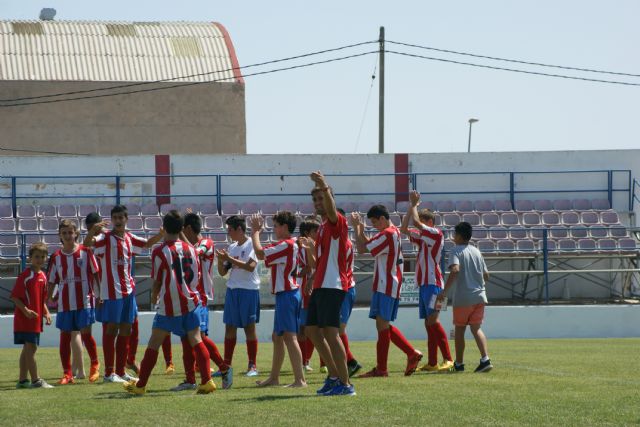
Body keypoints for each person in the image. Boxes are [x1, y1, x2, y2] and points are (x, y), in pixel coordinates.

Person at [123, 210, 215, 395]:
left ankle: (141, 385)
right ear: (181, 228)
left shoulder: (159, 251)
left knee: (154, 342)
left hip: (169, 304)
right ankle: (206, 381)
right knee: (196, 339)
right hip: (190, 301)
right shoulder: (191, 248)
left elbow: (157, 280)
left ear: (163, 228)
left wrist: (154, 296)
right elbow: (196, 275)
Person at [84, 205, 163, 383]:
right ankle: (109, 373)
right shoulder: (105, 238)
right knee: (112, 329)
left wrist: (161, 235)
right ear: (111, 220)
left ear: (126, 219)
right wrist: (92, 232)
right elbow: (87, 244)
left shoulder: (129, 238)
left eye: (121, 217)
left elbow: (147, 244)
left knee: (126, 329)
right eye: (115, 218)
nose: (118, 221)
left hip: (128, 291)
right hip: (111, 292)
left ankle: (120, 371)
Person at [351, 205, 423, 378]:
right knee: (383, 326)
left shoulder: (388, 234)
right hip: (387, 283)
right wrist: (359, 229)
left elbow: (362, 249)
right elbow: (366, 245)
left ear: (382, 219)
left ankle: (383, 368)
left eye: (375, 222)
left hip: (386, 284)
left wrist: (357, 228)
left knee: (382, 327)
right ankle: (409, 354)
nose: (374, 225)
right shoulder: (392, 232)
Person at [170, 212, 233, 391]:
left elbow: (195, 253)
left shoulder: (207, 243)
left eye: (183, 230)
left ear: (188, 229)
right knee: (185, 338)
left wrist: (180, 234)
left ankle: (224, 367)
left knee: (200, 338)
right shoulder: (187, 245)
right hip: (188, 297)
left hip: (201, 297)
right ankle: (190, 380)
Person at [305, 171, 355, 397]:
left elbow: (333, 210)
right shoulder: (323, 226)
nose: (318, 203)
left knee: (332, 334)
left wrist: (324, 185)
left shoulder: (337, 221)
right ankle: (334, 376)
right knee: (312, 331)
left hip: (333, 285)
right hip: (321, 285)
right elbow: (322, 260)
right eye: (315, 200)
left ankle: (345, 384)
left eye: (322, 198)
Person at [250, 212, 306, 388]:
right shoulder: (289, 245)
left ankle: (300, 380)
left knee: (289, 337)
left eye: (275, 226)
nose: (273, 229)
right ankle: (274, 378)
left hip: (287, 295)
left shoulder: (286, 245)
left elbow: (259, 253)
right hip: (288, 294)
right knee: (278, 336)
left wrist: (255, 232)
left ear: (284, 227)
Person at [399, 191, 453, 372]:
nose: (419, 225)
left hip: (435, 285)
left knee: (434, 321)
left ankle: (448, 359)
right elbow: (404, 229)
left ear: (429, 223)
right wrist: (410, 206)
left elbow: (415, 224)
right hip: (425, 284)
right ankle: (432, 362)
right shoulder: (424, 239)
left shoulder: (436, 234)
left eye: (423, 221)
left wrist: (414, 205)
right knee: (428, 323)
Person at [47, 219, 101, 385]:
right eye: (64, 233)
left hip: (84, 301)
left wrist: (100, 295)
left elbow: (96, 274)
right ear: (60, 236)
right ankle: (67, 374)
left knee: (86, 334)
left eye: (70, 232)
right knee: (64, 338)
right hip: (64, 303)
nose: (68, 235)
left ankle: (95, 364)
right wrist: (50, 297)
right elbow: (52, 280)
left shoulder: (85, 252)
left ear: (76, 233)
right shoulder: (56, 257)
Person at [438, 221, 493, 373]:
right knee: (477, 329)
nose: (453, 237)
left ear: (460, 236)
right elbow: (486, 275)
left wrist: (444, 291)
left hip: (463, 297)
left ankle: (460, 363)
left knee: (460, 330)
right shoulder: (476, 251)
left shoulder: (455, 251)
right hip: (480, 296)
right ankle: (485, 359)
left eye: (455, 234)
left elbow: (455, 270)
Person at [216, 215, 260, 377]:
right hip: (233, 290)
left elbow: (251, 266)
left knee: (249, 327)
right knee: (230, 327)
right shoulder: (232, 247)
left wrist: (227, 258)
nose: (228, 233)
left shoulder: (251, 245)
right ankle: (226, 365)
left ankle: (252, 366)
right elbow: (222, 272)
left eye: (230, 229)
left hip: (248, 290)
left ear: (239, 229)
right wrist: (221, 261)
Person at [11, 242, 54, 389]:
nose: (40, 259)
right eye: (36, 256)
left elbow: (41, 300)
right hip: (25, 320)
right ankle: (36, 380)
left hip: (35, 321)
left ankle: (23, 380)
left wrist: (46, 312)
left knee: (28, 348)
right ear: (30, 258)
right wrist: (26, 311)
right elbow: (15, 297)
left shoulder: (43, 275)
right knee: (31, 348)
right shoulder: (25, 275)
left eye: (43, 256)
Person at [337, 208, 363, 378]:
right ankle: (349, 362)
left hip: (344, 289)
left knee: (338, 329)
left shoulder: (343, 242)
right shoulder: (342, 241)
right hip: (344, 288)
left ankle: (350, 363)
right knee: (335, 329)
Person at [296, 218, 319, 372]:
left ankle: (305, 361)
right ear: (306, 233)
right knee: (304, 328)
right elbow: (309, 266)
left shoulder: (312, 246)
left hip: (310, 290)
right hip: (302, 291)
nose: (318, 233)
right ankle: (303, 361)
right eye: (315, 231)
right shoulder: (302, 248)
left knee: (311, 327)